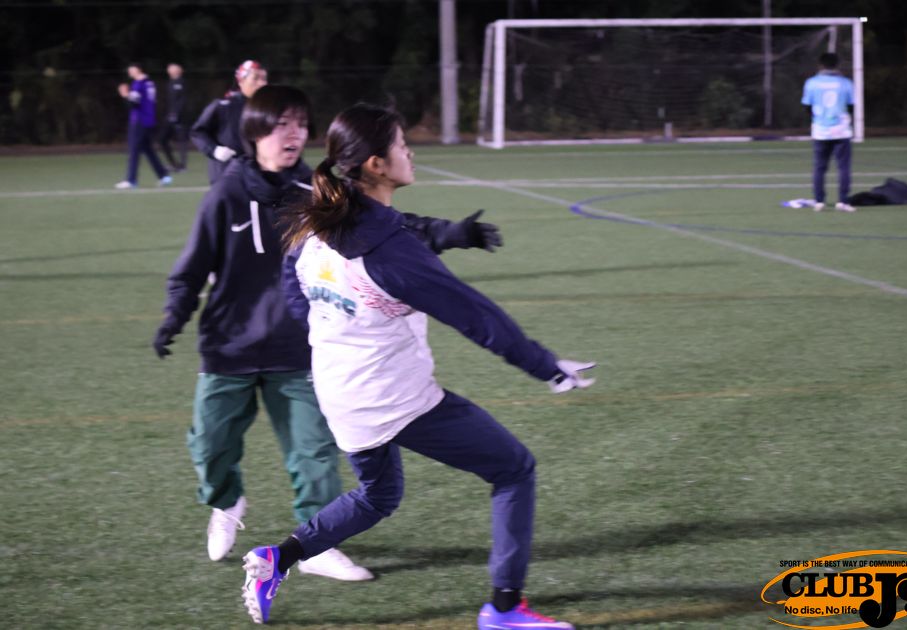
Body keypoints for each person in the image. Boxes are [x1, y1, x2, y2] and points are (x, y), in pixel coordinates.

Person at [239, 103, 594, 628]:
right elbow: (477, 316)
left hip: (339, 391)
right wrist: (546, 365)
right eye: (403, 145)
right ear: (377, 165)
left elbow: (293, 280)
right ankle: (504, 609)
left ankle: (278, 558)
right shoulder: (389, 254)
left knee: (379, 495)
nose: (411, 153)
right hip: (393, 398)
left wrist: (326, 329)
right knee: (514, 469)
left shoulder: (322, 219)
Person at [154, 87, 502, 581]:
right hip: (228, 348)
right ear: (254, 133)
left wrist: (453, 233)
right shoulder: (224, 196)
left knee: (314, 453)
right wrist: (174, 315)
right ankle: (226, 501)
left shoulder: (316, 195)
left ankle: (316, 548)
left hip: (297, 348)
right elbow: (192, 269)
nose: (293, 134)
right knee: (210, 448)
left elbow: (391, 225)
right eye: (281, 124)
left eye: (300, 124)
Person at [190, 59, 268, 184]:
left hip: (256, 177)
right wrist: (214, 150)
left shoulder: (267, 109)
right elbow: (197, 132)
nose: (261, 83)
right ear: (241, 81)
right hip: (226, 176)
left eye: (264, 78)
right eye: (255, 78)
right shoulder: (223, 106)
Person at [801, 52, 856, 212]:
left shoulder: (812, 83)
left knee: (819, 167)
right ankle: (843, 201)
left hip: (821, 130)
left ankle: (819, 201)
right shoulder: (846, 83)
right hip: (841, 130)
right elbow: (851, 106)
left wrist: (817, 119)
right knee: (843, 167)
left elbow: (807, 106)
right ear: (837, 65)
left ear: (820, 65)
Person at [115, 63, 172, 189]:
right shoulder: (149, 83)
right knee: (148, 150)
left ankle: (131, 180)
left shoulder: (138, 84)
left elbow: (133, 104)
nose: (129, 72)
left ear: (138, 70)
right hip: (149, 120)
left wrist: (125, 94)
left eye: (131, 69)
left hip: (139, 121)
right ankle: (164, 176)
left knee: (133, 150)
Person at [158, 63, 188, 172]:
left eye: (171, 69)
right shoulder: (170, 83)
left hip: (179, 117)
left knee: (181, 139)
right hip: (169, 116)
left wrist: (176, 114)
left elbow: (182, 100)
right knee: (162, 139)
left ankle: (182, 166)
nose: (169, 71)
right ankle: (173, 163)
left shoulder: (181, 82)